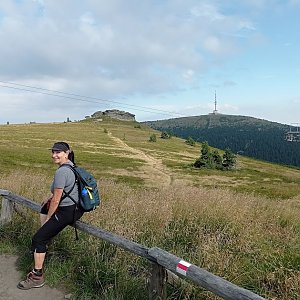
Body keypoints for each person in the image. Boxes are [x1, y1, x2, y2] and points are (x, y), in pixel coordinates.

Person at [17, 141, 84, 290]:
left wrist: (49, 219)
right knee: (43, 212)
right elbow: (61, 192)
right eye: (53, 152)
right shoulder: (71, 167)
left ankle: (37, 277)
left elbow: (56, 199)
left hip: (67, 211)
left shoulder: (62, 171)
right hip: (74, 208)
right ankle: (42, 247)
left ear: (67, 153)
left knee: (38, 238)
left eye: (58, 152)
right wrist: (48, 200)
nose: (54, 155)